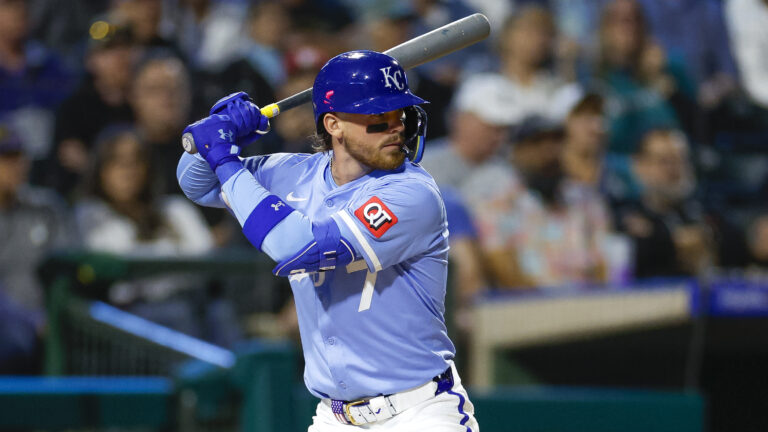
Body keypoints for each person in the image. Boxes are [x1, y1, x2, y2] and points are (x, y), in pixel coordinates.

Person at [177, 50, 479, 431]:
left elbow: (297, 247)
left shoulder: (412, 193)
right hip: (334, 416)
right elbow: (196, 183)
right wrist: (218, 129)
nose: (396, 128)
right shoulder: (294, 174)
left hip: (417, 412)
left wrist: (224, 157)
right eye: (377, 118)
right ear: (334, 125)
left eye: (400, 114)